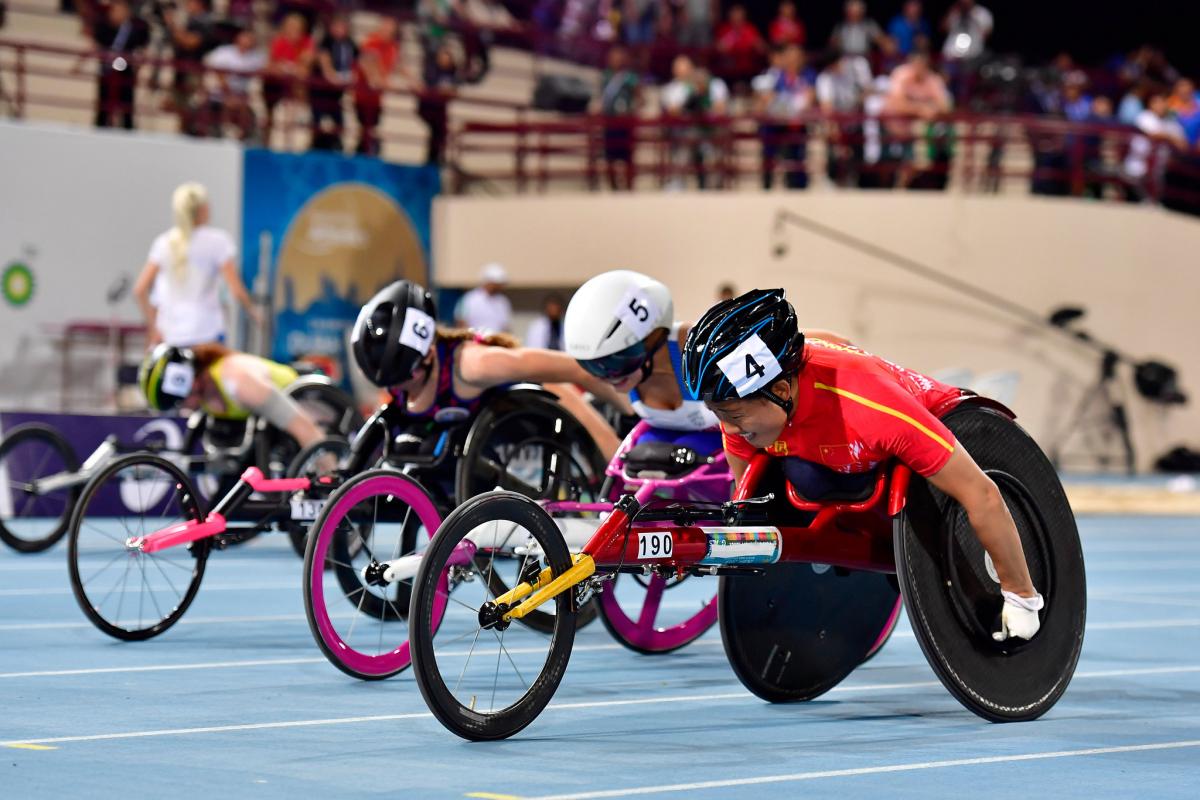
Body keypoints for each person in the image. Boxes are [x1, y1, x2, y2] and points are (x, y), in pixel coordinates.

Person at [681, 288, 1044, 641]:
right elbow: (753, 505)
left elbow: (982, 494)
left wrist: (1021, 595)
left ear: (780, 392)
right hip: (840, 459)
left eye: (732, 415)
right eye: (717, 415)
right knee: (802, 475)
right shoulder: (749, 410)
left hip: (929, 443)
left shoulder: (872, 409)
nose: (727, 430)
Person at [563, 270, 851, 456]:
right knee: (641, 452)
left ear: (653, 338)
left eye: (617, 362)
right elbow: (530, 363)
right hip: (666, 458)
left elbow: (808, 342)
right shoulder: (615, 372)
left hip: (730, 452)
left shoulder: (697, 344)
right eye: (595, 366)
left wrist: (864, 369)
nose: (609, 377)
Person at [353, 280, 622, 459]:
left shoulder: (474, 364)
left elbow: (579, 368)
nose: (397, 390)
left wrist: (633, 411)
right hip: (478, 438)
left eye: (402, 380)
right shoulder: (401, 377)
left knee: (568, 401)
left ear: (428, 355)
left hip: (538, 407)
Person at [132, 182, 260, 349]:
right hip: (206, 333)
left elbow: (140, 289)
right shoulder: (217, 242)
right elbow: (236, 290)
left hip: (169, 334)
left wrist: (153, 326)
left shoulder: (164, 243)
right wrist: (254, 312)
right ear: (203, 209)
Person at [139, 342, 324, 451]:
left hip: (313, 406)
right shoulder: (206, 396)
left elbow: (306, 429)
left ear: (190, 382)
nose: (184, 409)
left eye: (181, 403)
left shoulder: (237, 380)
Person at [86, 0, 150, 130]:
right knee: (103, 106)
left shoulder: (136, 28)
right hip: (106, 71)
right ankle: (100, 129)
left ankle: (129, 132)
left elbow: (143, 51)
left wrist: (138, 67)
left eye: (120, 10)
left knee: (127, 108)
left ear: (127, 12)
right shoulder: (104, 27)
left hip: (126, 73)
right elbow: (95, 47)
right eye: (114, 10)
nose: (116, 13)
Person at [203, 26, 267, 141]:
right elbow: (217, 74)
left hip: (243, 95)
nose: (247, 41)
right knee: (227, 102)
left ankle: (243, 138)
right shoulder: (224, 52)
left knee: (249, 105)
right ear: (238, 38)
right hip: (221, 92)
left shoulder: (257, 57)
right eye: (245, 37)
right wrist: (229, 94)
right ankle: (221, 132)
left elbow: (262, 73)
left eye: (250, 39)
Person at [262, 13, 314, 147]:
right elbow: (270, 66)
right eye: (290, 27)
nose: (293, 30)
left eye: (296, 27)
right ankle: (266, 140)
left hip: (297, 93)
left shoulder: (307, 42)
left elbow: (304, 68)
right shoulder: (278, 41)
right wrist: (288, 69)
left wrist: (288, 68)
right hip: (277, 88)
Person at [310, 14, 357, 152]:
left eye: (343, 27)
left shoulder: (350, 43)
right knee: (317, 122)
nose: (341, 30)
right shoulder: (325, 41)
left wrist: (351, 77)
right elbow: (324, 60)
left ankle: (337, 147)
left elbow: (360, 58)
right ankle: (315, 146)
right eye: (338, 26)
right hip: (321, 90)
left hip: (337, 93)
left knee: (339, 123)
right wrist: (333, 76)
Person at [597, 44, 641, 192]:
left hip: (625, 124)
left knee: (627, 158)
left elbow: (640, 98)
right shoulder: (606, 76)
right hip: (610, 123)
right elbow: (602, 98)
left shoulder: (629, 77)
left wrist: (630, 109)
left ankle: (629, 190)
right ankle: (614, 189)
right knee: (609, 158)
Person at [455, 263, 512, 333]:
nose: (500, 287)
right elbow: (461, 322)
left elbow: (505, 326)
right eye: (496, 284)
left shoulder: (502, 301)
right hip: (475, 341)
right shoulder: (469, 299)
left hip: (496, 341)